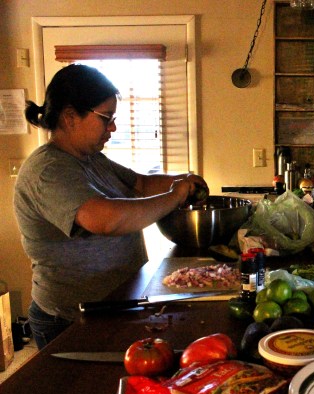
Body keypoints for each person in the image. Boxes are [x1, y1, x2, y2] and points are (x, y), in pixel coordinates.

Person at [14, 64, 209, 349]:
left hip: (111, 307)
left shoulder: (91, 158)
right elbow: (105, 220)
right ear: (70, 117)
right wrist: (176, 196)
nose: (113, 127)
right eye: (106, 118)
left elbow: (140, 184)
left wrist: (184, 179)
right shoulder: (48, 170)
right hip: (71, 318)